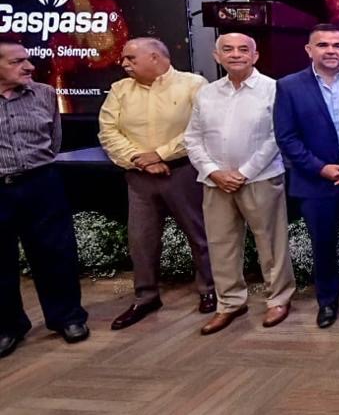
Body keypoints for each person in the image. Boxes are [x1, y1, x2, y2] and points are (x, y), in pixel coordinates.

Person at [99, 37, 215, 330]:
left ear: (154, 57)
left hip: (183, 172)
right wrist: (141, 160)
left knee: (200, 234)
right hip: (139, 175)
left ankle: (210, 289)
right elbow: (108, 132)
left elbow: (200, 128)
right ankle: (146, 296)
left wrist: (161, 154)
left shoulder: (193, 85)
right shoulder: (119, 90)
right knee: (141, 239)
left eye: (130, 58)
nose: (123, 64)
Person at [184, 33, 296, 334]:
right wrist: (213, 171)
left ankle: (278, 299)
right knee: (221, 244)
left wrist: (245, 172)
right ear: (217, 56)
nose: (236, 54)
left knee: (271, 243)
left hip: (260, 178)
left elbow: (277, 136)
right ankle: (230, 303)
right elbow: (192, 138)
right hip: (215, 183)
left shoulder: (274, 89)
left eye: (243, 49)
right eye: (228, 49)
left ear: (255, 56)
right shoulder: (206, 93)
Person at [274, 24, 339, 329]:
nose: (331, 50)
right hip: (315, 183)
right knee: (323, 246)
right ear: (309, 50)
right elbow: (287, 137)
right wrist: (321, 168)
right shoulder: (289, 86)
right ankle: (327, 301)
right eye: (323, 45)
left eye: (337, 45)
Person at [0, 39, 89, 358]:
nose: (29, 66)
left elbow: (54, 140)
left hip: (41, 182)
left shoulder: (45, 94)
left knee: (56, 253)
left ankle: (68, 318)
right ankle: (8, 326)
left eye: (27, 59)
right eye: (16, 62)